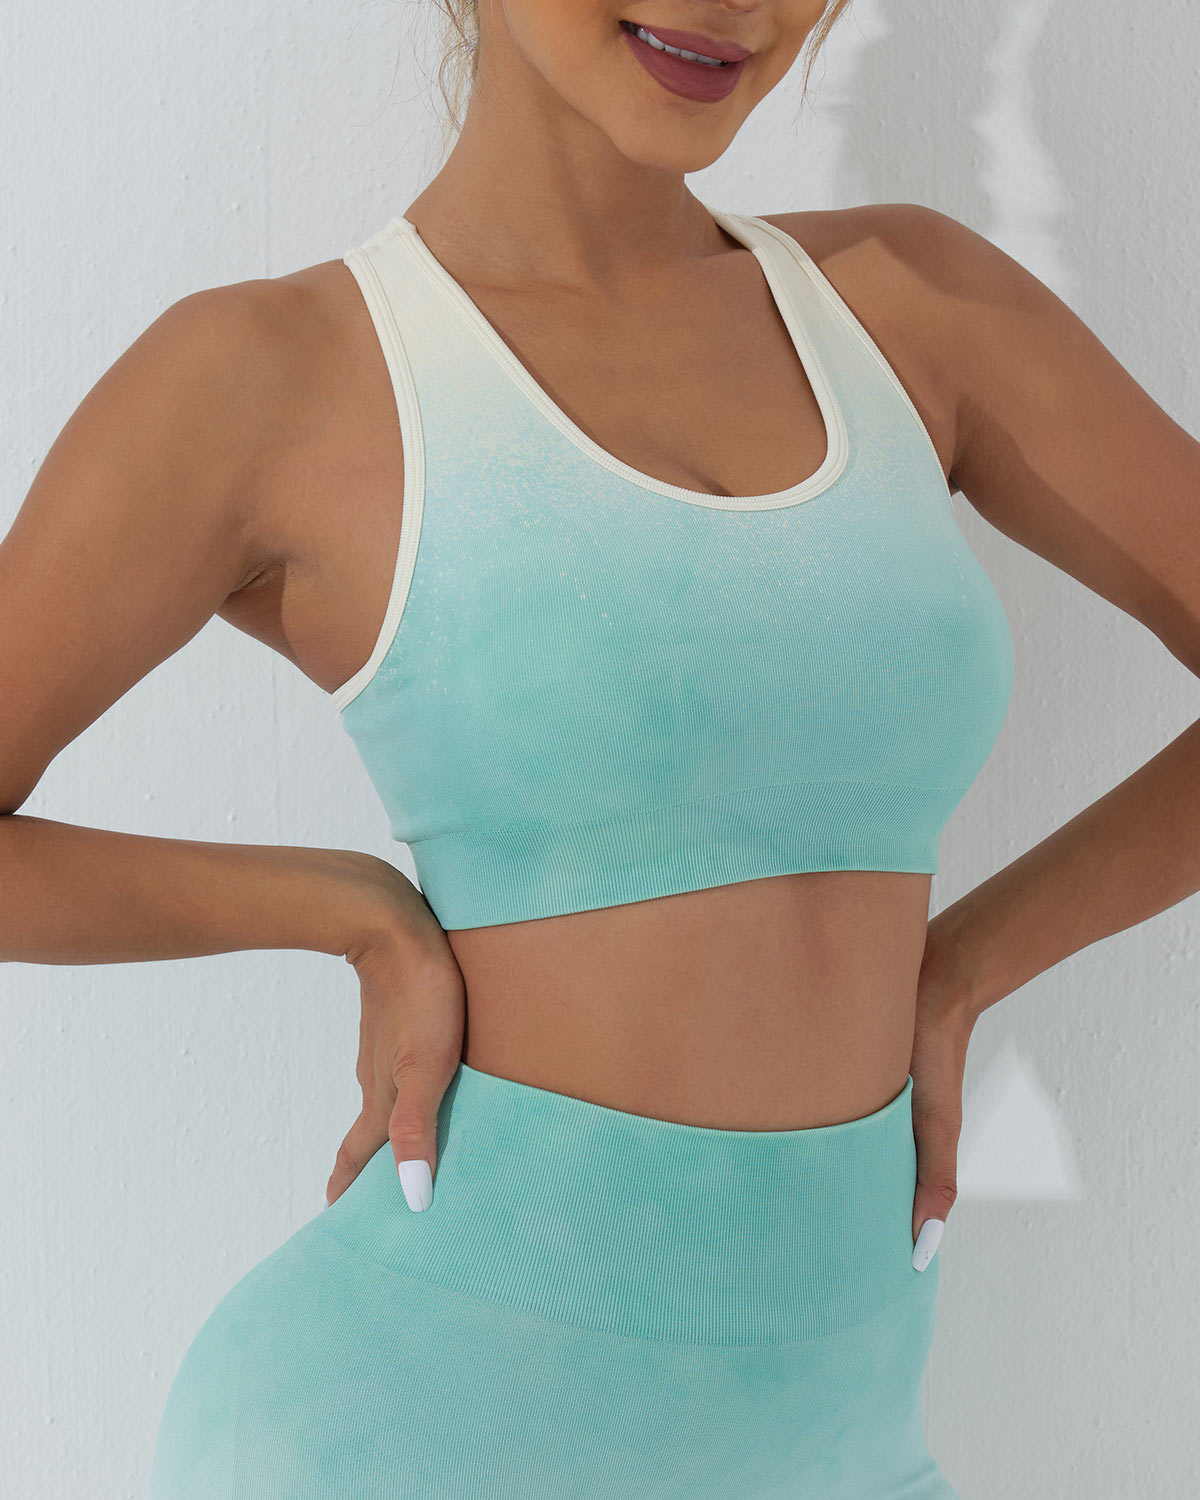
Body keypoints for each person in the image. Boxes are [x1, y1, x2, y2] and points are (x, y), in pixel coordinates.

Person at [5, 1, 1200, 1495]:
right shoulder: (272, 375)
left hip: (840, 1447)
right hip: (416, 1434)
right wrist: (344, 909)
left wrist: (962, 970)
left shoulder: (909, 306)